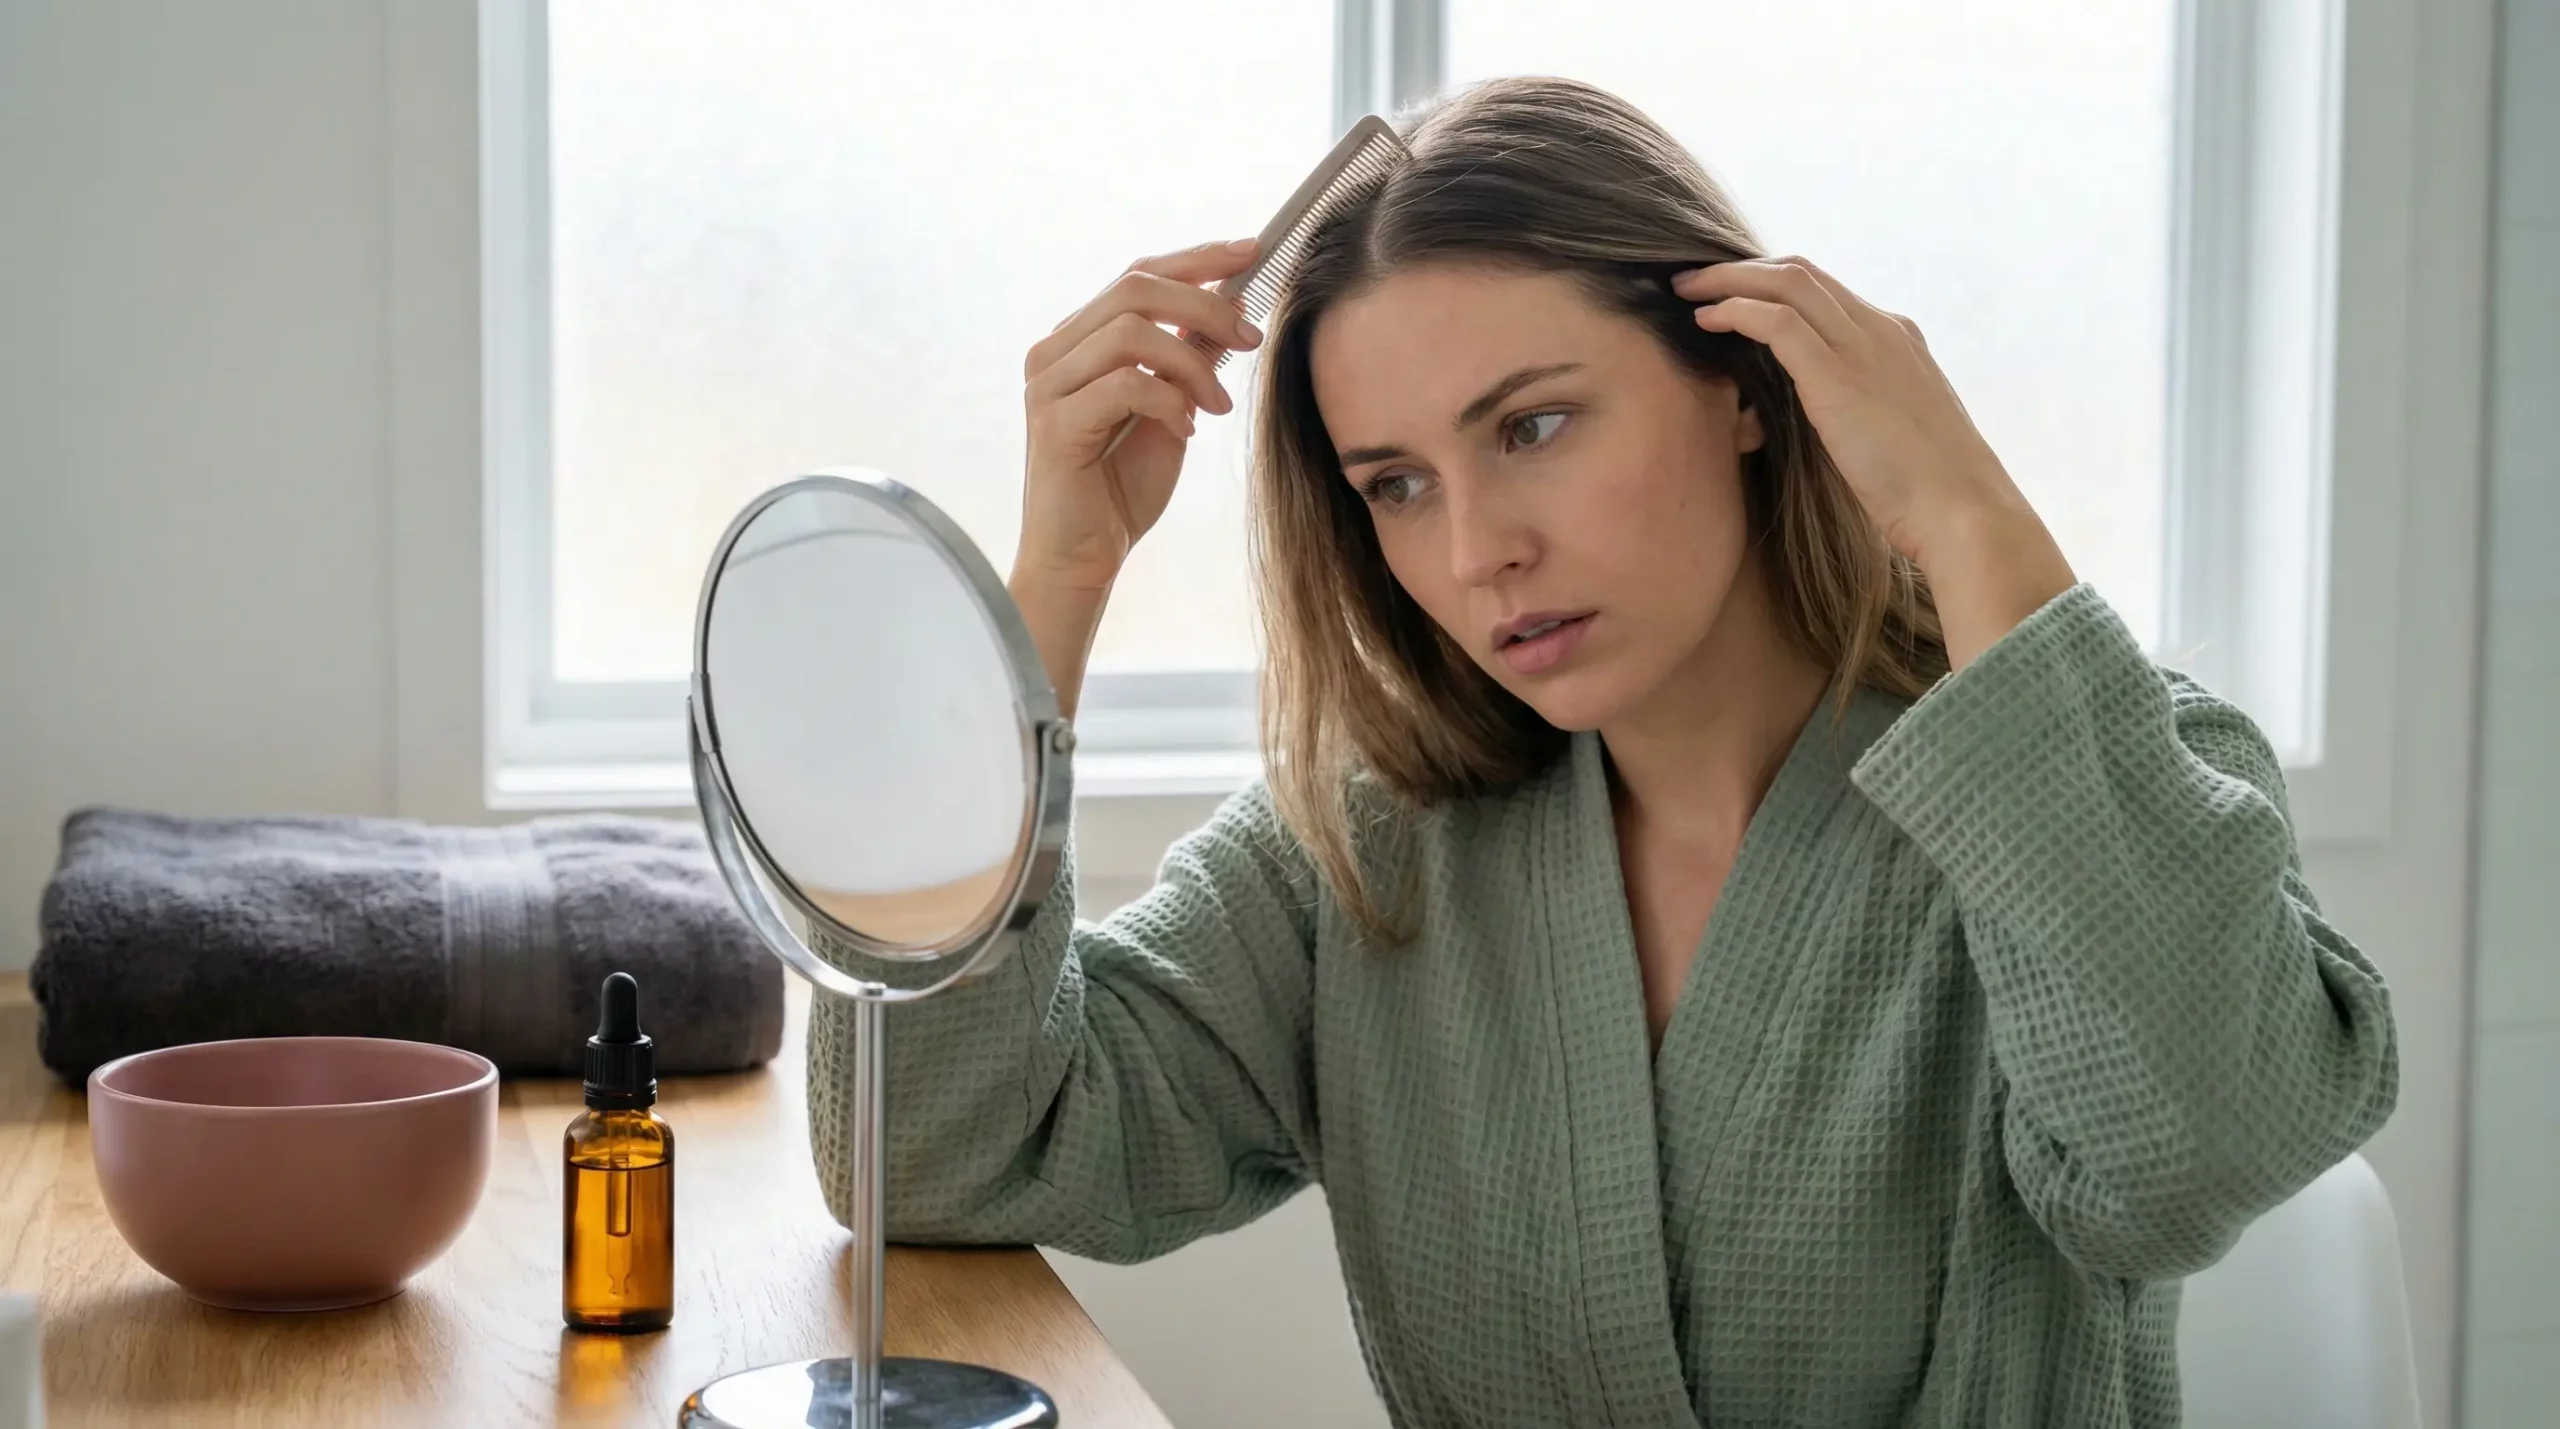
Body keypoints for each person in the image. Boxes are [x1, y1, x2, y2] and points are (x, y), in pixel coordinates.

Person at [807, 74, 2398, 1429]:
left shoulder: (2099, 786)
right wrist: (1049, 593)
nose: (1479, 548)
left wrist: (1968, 516)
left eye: (1535, 426)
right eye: (1397, 483)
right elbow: (938, 1149)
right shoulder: (1375, 847)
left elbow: (2201, 1156)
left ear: (1742, 387)